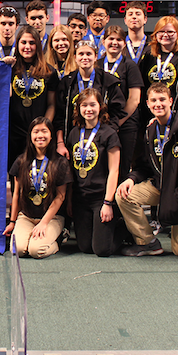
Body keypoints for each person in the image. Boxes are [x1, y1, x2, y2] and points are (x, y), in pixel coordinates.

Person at [115, 83, 178, 257]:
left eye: (162, 99)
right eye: (154, 100)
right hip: (160, 187)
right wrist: (131, 179)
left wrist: (177, 200)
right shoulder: (150, 130)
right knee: (123, 195)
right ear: (147, 103)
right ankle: (148, 242)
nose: (158, 104)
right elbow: (144, 166)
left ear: (170, 101)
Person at [4, 117, 72, 258]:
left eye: (44, 131)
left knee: (36, 251)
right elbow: (16, 194)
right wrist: (12, 221)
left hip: (52, 218)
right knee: (18, 250)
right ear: (30, 136)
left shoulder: (60, 162)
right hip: (27, 216)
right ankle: (33, 237)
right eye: (36, 132)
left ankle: (58, 239)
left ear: (51, 135)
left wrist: (44, 223)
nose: (40, 135)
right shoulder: (22, 161)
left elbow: (60, 197)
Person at [67, 88, 121, 257]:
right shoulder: (74, 133)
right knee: (85, 247)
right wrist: (69, 200)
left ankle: (123, 229)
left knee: (101, 250)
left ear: (100, 107)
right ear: (78, 108)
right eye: (84, 105)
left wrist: (108, 202)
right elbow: (71, 171)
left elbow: (114, 170)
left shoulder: (109, 134)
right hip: (81, 199)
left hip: (100, 198)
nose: (88, 109)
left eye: (92, 105)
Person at [54, 41, 126, 158]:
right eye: (81, 54)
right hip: (73, 138)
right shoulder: (67, 83)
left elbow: (116, 112)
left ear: (96, 56)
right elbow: (60, 116)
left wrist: (108, 134)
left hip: (101, 140)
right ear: (75, 57)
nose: (85, 57)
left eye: (89, 54)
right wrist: (60, 143)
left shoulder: (108, 81)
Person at [7, 26, 58, 170]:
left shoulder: (49, 72)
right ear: (17, 44)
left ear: (38, 45)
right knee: (15, 173)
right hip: (14, 132)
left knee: (37, 173)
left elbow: (52, 104)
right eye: (23, 42)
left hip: (38, 134)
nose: (27, 47)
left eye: (32, 43)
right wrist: (0, 65)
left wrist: (43, 127)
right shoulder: (10, 69)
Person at [100, 25, 144, 181]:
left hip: (125, 124)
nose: (114, 42)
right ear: (103, 41)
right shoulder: (97, 65)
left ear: (124, 43)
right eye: (111, 38)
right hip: (101, 124)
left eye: (119, 39)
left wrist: (117, 123)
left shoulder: (130, 65)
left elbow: (134, 99)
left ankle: (120, 197)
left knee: (122, 167)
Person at [123, 2, 148, 66]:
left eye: (138, 14)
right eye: (130, 14)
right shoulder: (120, 44)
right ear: (125, 20)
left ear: (145, 19)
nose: (134, 17)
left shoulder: (153, 44)